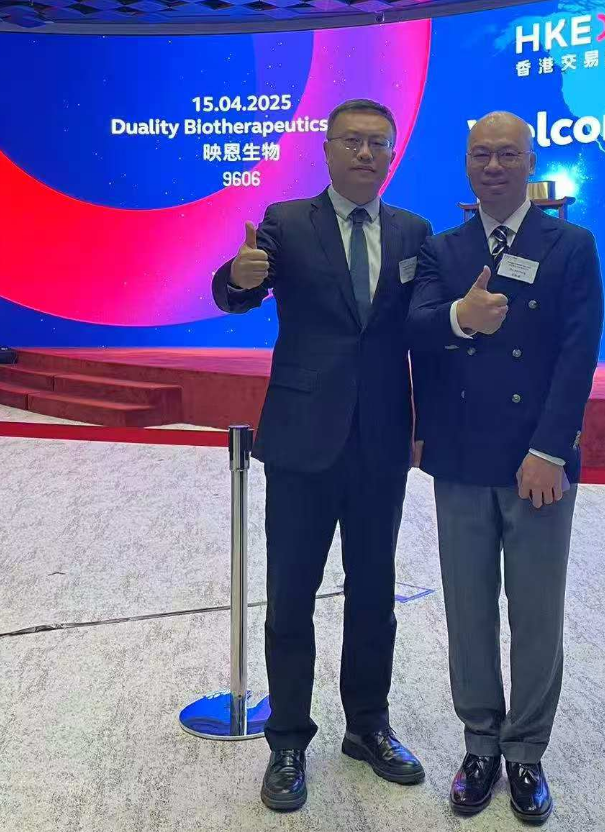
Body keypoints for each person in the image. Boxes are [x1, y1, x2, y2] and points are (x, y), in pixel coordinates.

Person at [212, 98, 432, 812]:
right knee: (291, 597)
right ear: (328, 149)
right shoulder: (286, 222)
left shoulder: (413, 232)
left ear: (391, 154)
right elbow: (233, 293)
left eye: (378, 143)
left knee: (374, 594)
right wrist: (238, 278)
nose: (366, 153)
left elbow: (426, 330)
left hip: (380, 442)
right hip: (302, 439)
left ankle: (367, 726)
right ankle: (287, 741)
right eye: (353, 141)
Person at [408, 111, 603, 824]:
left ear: (530, 162)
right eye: (481, 155)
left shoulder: (570, 244)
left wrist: (549, 451)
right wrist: (461, 317)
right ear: (466, 162)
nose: (494, 166)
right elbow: (416, 331)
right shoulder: (443, 248)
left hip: (536, 461)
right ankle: (479, 746)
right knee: (468, 610)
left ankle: (525, 751)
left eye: (508, 155)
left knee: (536, 611)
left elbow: (578, 354)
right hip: (461, 457)